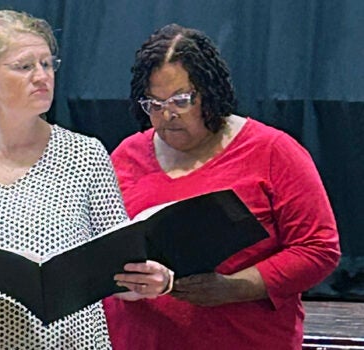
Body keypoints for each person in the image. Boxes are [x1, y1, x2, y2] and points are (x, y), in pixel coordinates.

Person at [0, 10, 171, 349]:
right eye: (25, 66)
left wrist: (149, 280)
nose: (42, 77)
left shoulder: (85, 155)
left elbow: (119, 268)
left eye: (47, 64)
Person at [104, 23, 341, 349]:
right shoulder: (126, 155)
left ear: (211, 94)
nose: (167, 115)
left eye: (181, 100)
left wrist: (237, 287)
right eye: (154, 104)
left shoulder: (273, 152)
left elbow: (318, 249)